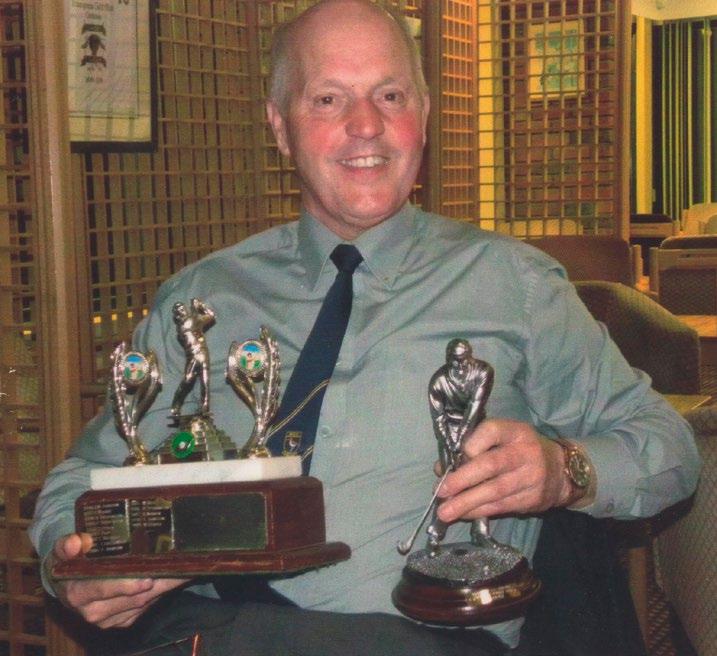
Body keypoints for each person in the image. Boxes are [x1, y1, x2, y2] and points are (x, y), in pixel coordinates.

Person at [30, 1, 700, 655]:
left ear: (424, 116)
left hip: (418, 638)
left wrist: (564, 471)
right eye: (328, 100)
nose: (366, 126)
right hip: (209, 634)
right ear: (279, 127)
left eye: (390, 96)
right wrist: (75, 565)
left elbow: (669, 448)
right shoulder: (202, 300)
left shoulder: (515, 286)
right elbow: (81, 480)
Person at [425, 338, 494, 554]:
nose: (460, 365)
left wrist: (461, 442)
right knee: (450, 483)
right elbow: (438, 419)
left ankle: (480, 532)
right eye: (455, 360)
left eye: (464, 359)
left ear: (470, 356)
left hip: (476, 428)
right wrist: (450, 444)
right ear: (448, 359)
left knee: (481, 480)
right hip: (449, 429)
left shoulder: (484, 371)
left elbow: (475, 406)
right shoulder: (438, 381)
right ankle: (434, 535)